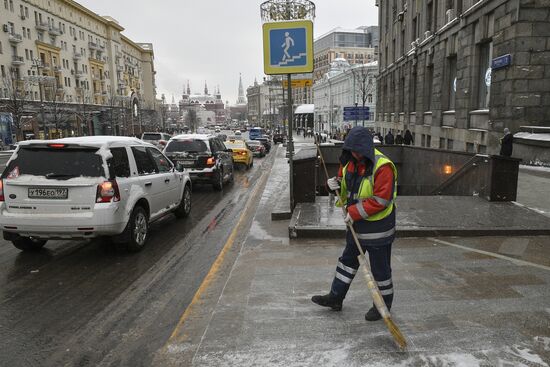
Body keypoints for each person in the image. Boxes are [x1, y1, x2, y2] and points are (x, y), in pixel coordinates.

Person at [312, 126, 398, 322]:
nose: (355, 154)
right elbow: (342, 185)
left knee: (380, 271)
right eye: (351, 150)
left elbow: (381, 200)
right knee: (347, 263)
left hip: (378, 230)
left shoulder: (383, 166)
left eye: (358, 151)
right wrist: (330, 184)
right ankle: (336, 297)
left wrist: (353, 212)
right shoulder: (349, 162)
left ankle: (383, 305)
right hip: (356, 227)